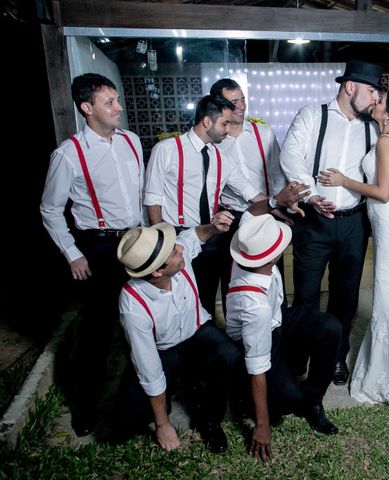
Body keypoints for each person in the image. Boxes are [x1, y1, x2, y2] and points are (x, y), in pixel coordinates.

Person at [279, 60, 389, 385]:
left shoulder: (374, 128)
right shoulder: (312, 115)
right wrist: (310, 194)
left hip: (355, 223)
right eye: (371, 91)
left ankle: (337, 357)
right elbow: (290, 155)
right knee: (307, 295)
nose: (374, 99)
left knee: (346, 296)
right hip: (314, 221)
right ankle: (298, 360)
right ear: (350, 87)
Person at [40, 73, 144, 436]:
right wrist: (72, 253)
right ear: (87, 108)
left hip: (136, 239)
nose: (118, 107)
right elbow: (50, 210)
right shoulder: (68, 154)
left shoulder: (131, 141)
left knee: (142, 323)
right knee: (98, 332)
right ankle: (85, 407)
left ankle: (139, 401)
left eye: (117, 99)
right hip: (97, 247)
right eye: (109, 102)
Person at [316, 88, 389, 409]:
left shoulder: (384, 140)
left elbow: (381, 190)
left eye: (381, 103)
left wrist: (343, 181)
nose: (375, 104)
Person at [114, 214, 240, 452]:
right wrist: (162, 424)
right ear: (157, 273)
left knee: (229, 355)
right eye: (173, 253)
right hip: (164, 349)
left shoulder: (175, 256)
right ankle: (171, 396)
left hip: (197, 333)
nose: (179, 251)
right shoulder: (133, 306)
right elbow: (149, 368)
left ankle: (210, 420)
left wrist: (213, 227)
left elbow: (195, 235)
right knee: (126, 420)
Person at [226, 212, 342, 463]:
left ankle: (313, 401)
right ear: (273, 256)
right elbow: (257, 365)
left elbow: (251, 214)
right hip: (257, 336)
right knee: (288, 401)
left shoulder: (251, 247)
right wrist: (262, 424)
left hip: (279, 318)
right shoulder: (254, 304)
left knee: (329, 327)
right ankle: (243, 394)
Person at [144, 94, 267, 315]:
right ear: (207, 122)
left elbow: (251, 193)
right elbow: (153, 201)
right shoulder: (167, 149)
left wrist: (278, 204)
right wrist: (164, 246)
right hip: (177, 239)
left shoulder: (221, 157)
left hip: (210, 237)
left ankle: (207, 338)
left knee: (207, 297)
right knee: (179, 301)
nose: (228, 130)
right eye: (225, 123)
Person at [210, 78, 288, 309]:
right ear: (220, 105)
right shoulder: (215, 142)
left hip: (265, 214)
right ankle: (237, 332)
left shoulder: (262, 132)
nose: (242, 106)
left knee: (272, 273)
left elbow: (276, 172)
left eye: (243, 99)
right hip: (231, 217)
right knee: (232, 278)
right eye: (234, 102)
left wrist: (276, 207)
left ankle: (277, 326)